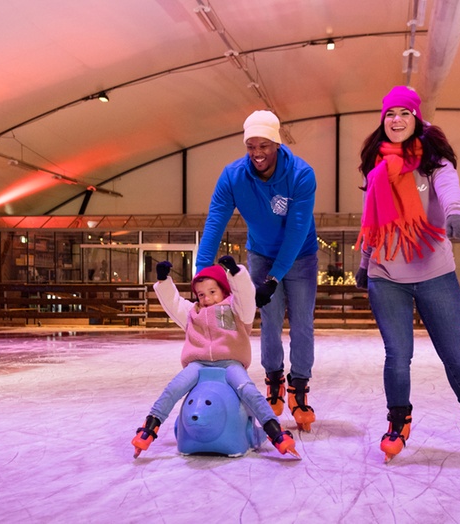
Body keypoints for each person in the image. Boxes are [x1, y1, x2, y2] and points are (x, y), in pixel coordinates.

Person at [354, 85, 460, 462]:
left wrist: (456, 214)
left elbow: (449, 189)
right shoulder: (376, 172)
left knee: (454, 353)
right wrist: (363, 263)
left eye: (404, 113)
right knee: (397, 355)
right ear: (383, 120)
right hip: (386, 274)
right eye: (390, 114)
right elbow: (370, 221)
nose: (396, 120)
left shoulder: (435, 163)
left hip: (434, 271)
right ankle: (398, 421)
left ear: (416, 118)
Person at [195, 110, 319, 431]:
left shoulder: (301, 175)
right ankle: (275, 379)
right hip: (261, 254)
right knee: (270, 321)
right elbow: (215, 222)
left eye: (264, 145)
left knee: (302, 322)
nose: (257, 153)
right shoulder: (233, 176)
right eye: (251, 146)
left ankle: (299, 386)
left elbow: (296, 231)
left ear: (276, 143)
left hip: (301, 255)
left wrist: (275, 277)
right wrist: (201, 274)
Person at [131, 256, 299, 459]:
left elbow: (246, 296)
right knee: (174, 388)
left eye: (212, 292)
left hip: (230, 363)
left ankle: (275, 431)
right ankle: (150, 427)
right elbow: (174, 304)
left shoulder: (236, 310)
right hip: (198, 364)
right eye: (201, 294)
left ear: (224, 289)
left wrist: (235, 273)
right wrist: (164, 281)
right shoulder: (193, 313)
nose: (207, 298)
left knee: (249, 391)